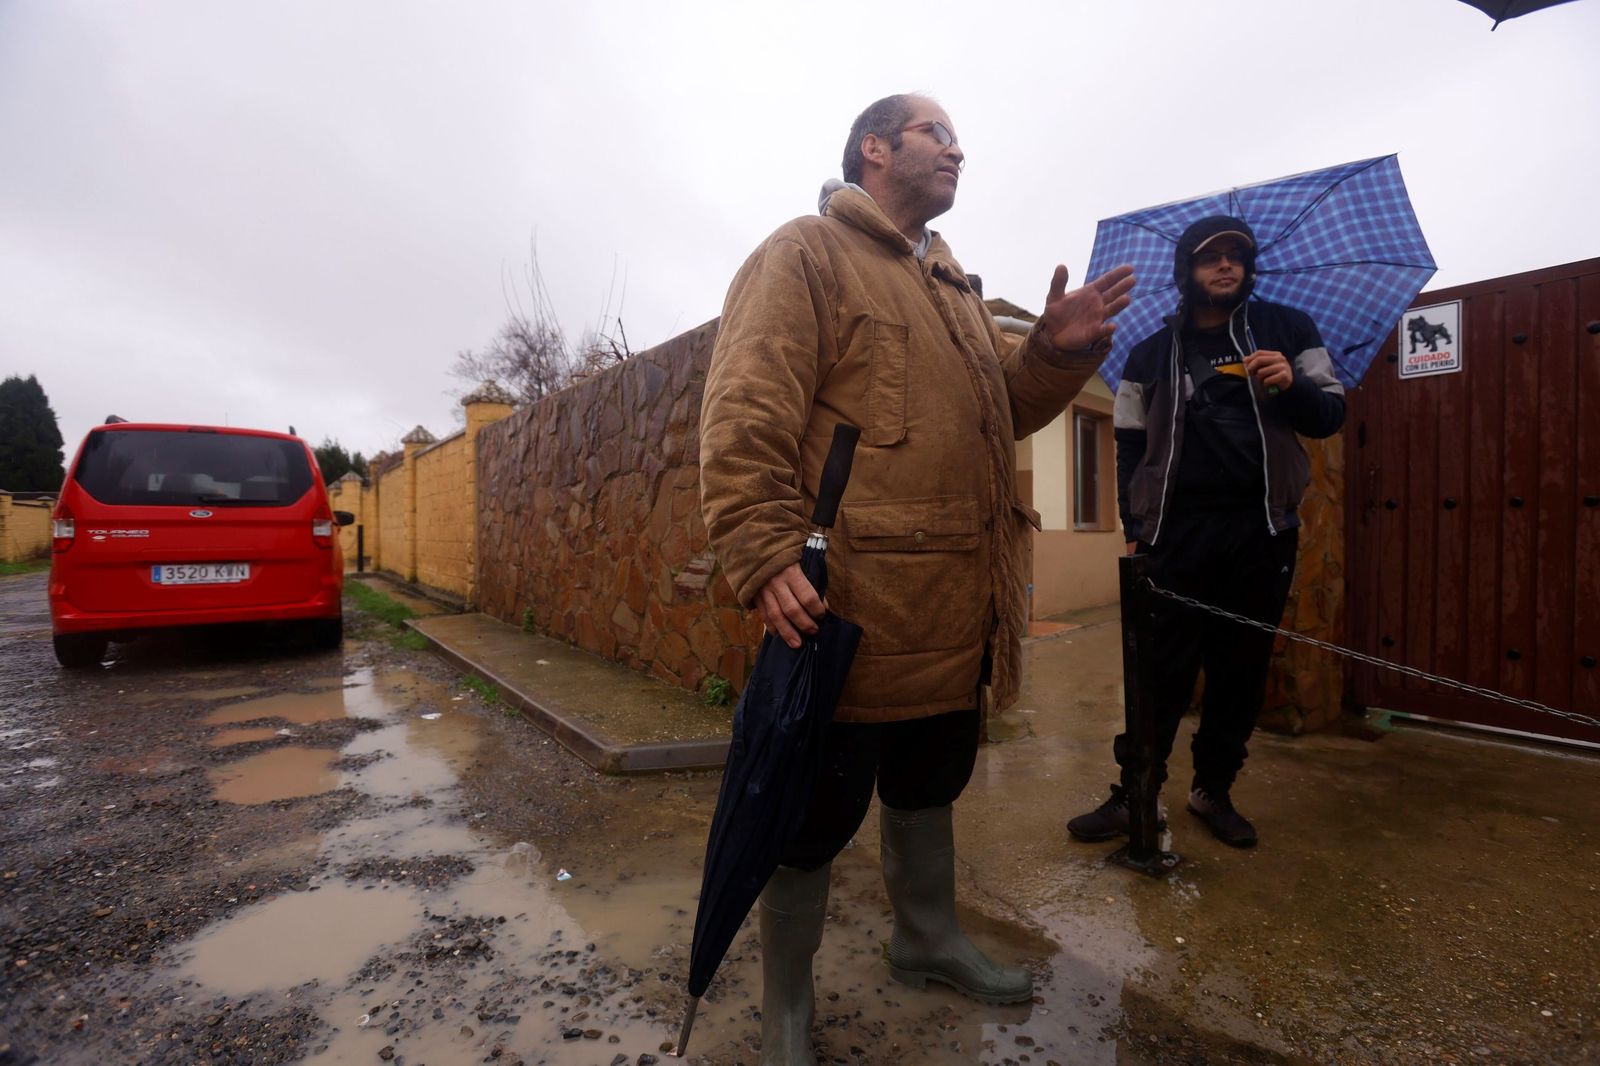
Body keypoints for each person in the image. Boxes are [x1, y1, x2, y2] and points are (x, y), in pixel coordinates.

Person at [698, 93, 1134, 1064]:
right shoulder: (807, 253)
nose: (957, 149)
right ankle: (786, 1007)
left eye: (956, 136)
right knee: (809, 817)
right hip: (852, 606)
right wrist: (763, 549)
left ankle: (924, 935)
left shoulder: (953, 287)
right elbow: (743, 411)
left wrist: (1054, 356)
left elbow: (1000, 413)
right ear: (875, 146)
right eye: (936, 133)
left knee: (931, 782)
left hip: (956, 604)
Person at [1065, 215, 1346, 850]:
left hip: (1262, 530)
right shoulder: (1148, 353)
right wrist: (1136, 530)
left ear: (1249, 266)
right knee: (1159, 672)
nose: (1225, 266)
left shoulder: (1287, 329)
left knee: (1239, 670)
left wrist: (1291, 385)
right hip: (1176, 532)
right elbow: (1129, 446)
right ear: (1186, 269)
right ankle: (1134, 791)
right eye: (1209, 257)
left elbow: (1329, 415)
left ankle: (1211, 791)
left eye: (1236, 256)